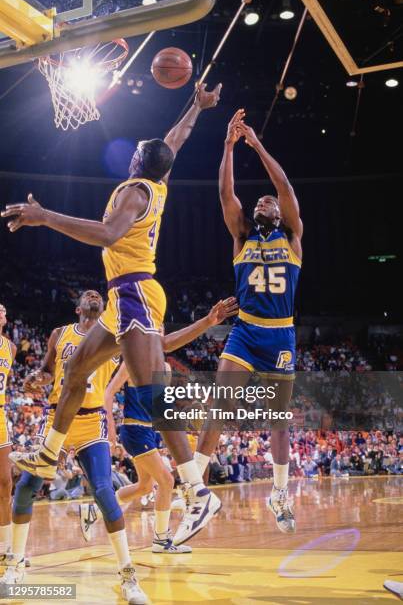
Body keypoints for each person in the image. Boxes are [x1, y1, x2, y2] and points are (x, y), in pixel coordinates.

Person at [3, 84, 224, 545]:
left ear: (136, 161)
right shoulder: (158, 181)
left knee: (152, 394)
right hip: (123, 299)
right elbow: (174, 140)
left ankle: (198, 491)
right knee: (76, 369)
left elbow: (107, 234)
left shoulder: (133, 192)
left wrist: (46, 217)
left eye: (140, 149)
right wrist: (196, 108)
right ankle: (48, 453)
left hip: (136, 295)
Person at [192, 109, 303, 535]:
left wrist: (255, 144)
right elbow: (226, 195)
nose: (264, 202)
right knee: (219, 405)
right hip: (245, 331)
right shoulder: (241, 236)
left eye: (268, 202)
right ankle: (194, 491)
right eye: (259, 201)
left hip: (280, 336)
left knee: (279, 419)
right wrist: (227, 146)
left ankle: (278, 492)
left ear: (280, 214)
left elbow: (286, 186)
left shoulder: (292, 238)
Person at [1, 291, 147, 604]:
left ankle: (128, 576)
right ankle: (13, 564)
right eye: (87, 295)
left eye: (98, 294)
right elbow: (46, 373)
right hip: (56, 419)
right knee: (26, 487)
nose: (93, 295)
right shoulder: (60, 334)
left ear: (103, 307)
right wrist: (35, 379)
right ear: (78, 307)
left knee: (104, 492)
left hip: (92, 423)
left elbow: (153, 345)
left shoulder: (113, 334)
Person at [79, 298, 238, 550]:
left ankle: (92, 511)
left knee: (144, 486)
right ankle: (161, 539)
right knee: (166, 481)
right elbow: (109, 393)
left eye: (162, 328)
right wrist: (108, 428)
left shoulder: (163, 366)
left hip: (149, 431)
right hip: (133, 429)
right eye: (157, 328)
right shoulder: (133, 358)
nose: (161, 333)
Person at [0, 304, 17, 566]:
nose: (3, 311)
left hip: (0, 416)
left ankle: (6, 545)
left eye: (3, 310)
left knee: (5, 482)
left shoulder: (10, 348)